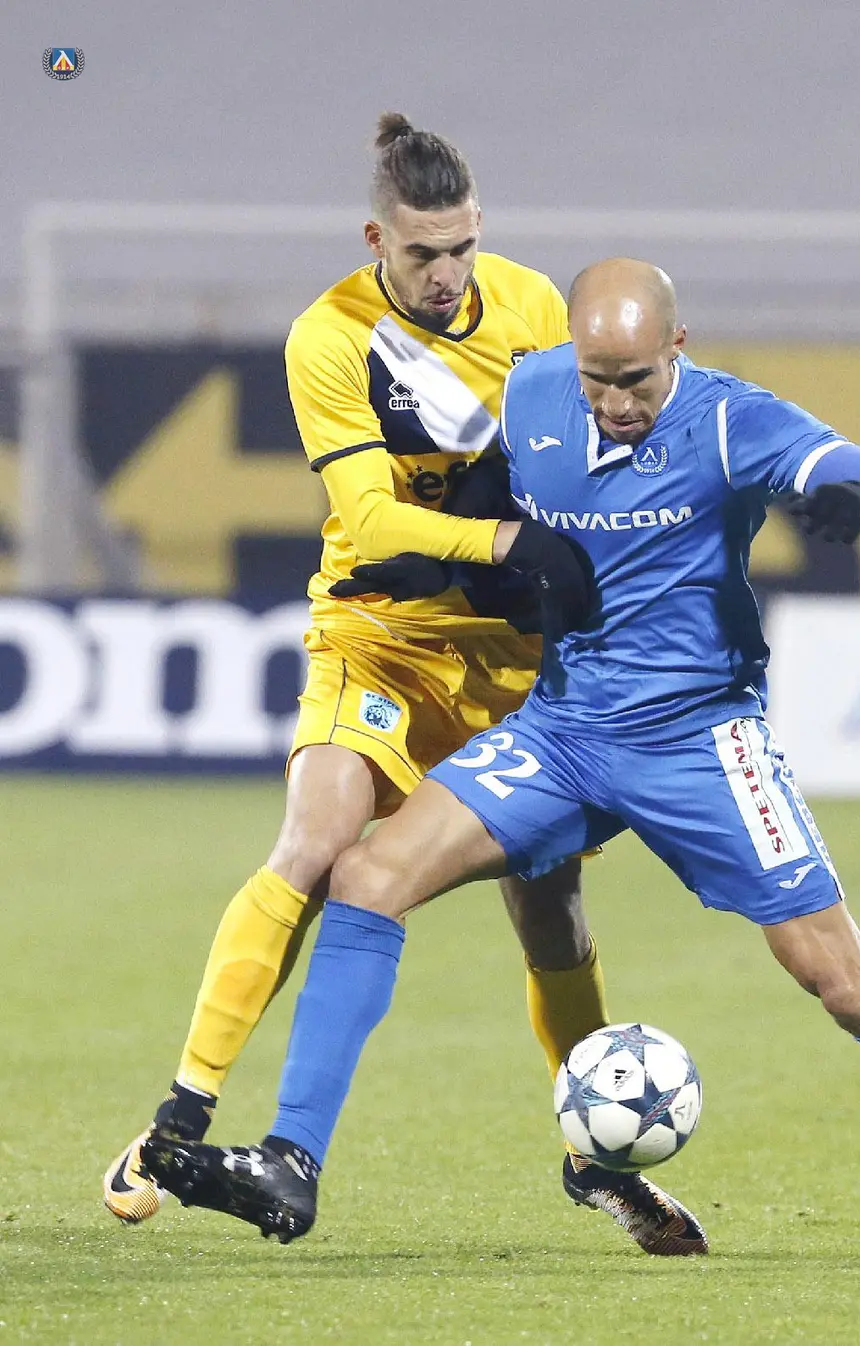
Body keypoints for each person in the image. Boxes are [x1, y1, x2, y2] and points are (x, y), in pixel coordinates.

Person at [142, 258, 860, 1261]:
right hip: (562, 731)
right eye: (597, 379)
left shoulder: (730, 421)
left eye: (637, 380)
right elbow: (473, 499)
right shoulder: (531, 393)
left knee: (844, 980)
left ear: (677, 348)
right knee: (366, 873)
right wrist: (439, 559)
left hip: (701, 741)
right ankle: (292, 1160)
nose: (615, 403)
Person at [104, 126, 707, 1258]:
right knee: (316, 843)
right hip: (380, 635)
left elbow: (588, 460)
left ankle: (599, 1162)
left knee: (550, 903)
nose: (448, 273)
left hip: (513, 658)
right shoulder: (330, 336)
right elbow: (373, 519)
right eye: (425, 252)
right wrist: (509, 539)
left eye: (463, 247)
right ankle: (179, 1117)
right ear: (377, 238)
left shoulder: (531, 306)